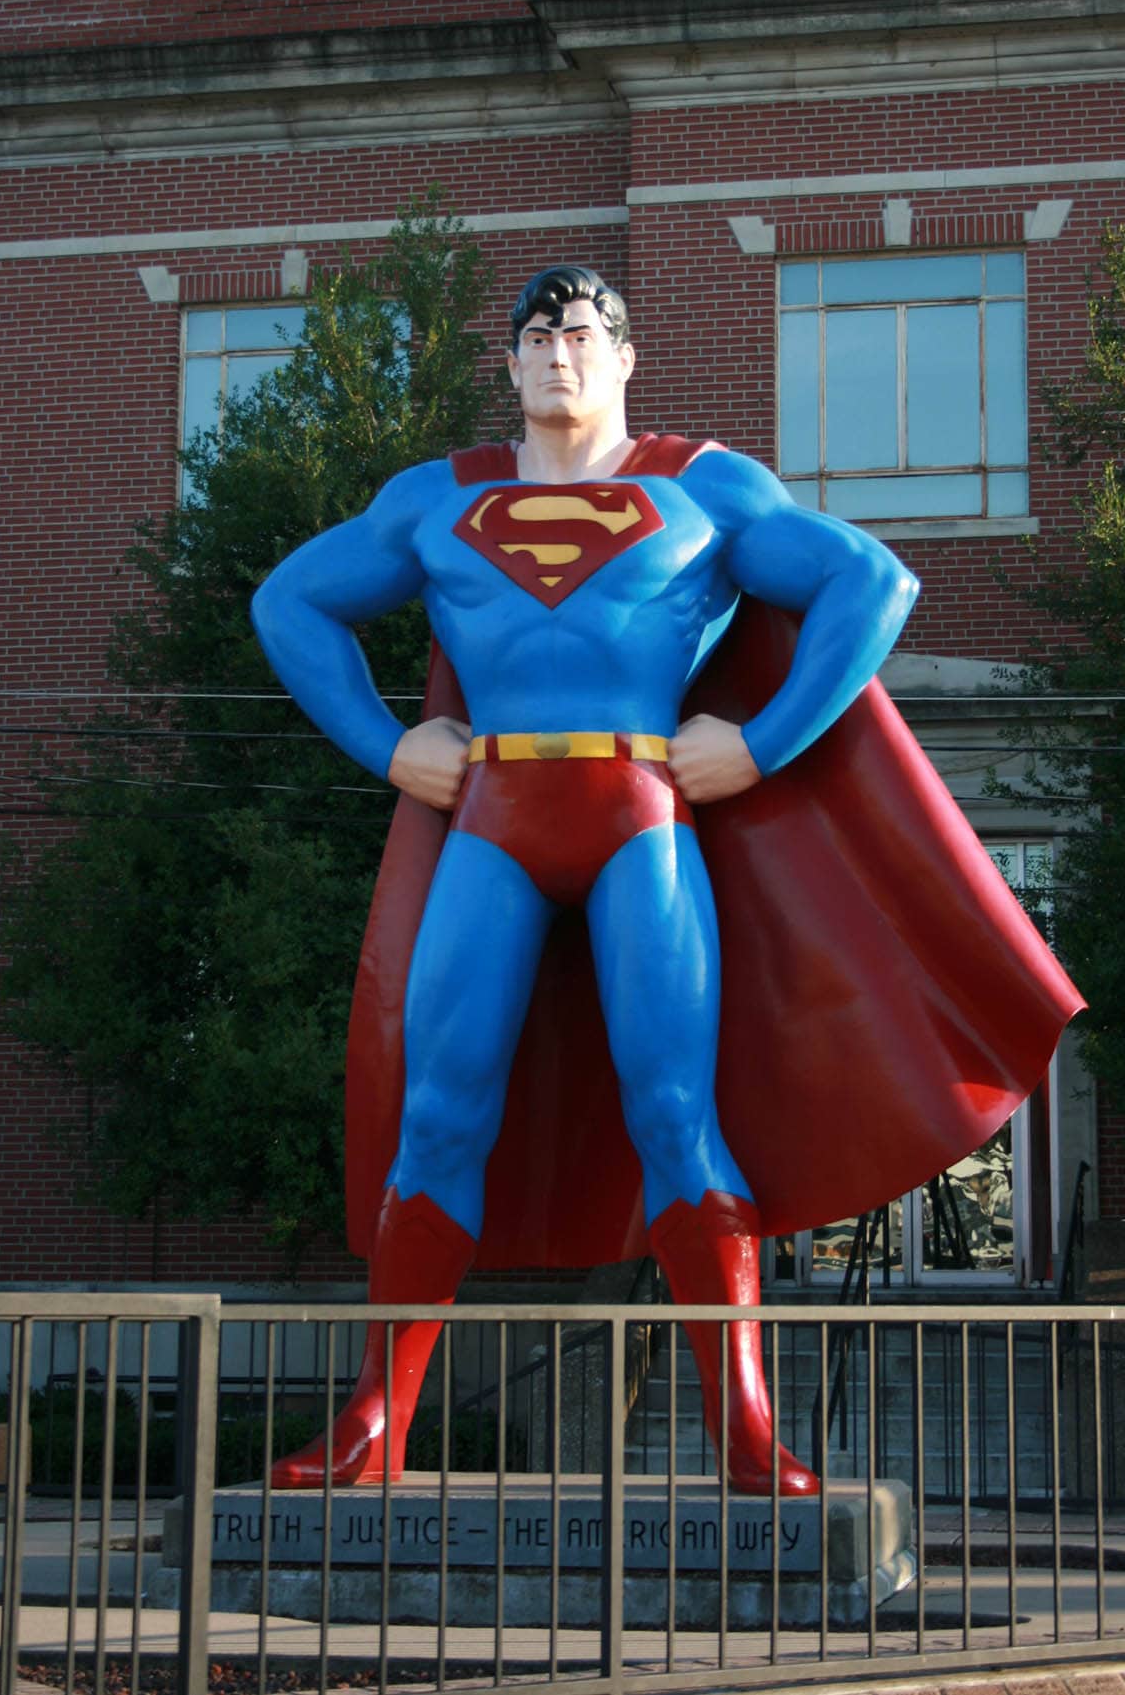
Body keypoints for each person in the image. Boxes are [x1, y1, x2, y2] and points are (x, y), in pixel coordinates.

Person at [252, 264, 919, 1497]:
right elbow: (289, 600)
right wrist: (388, 744)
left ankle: (744, 1432)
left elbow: (870, 582)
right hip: (494, 818)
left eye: (582, 331)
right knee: (436, 1114)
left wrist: (765, 739)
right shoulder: (436, 499)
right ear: (506, 364)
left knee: (676, 1114)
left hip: (638, 820)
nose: (558, 350)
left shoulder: (698, 484)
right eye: (536, 334)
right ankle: (373, 1427)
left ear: (624, 358)